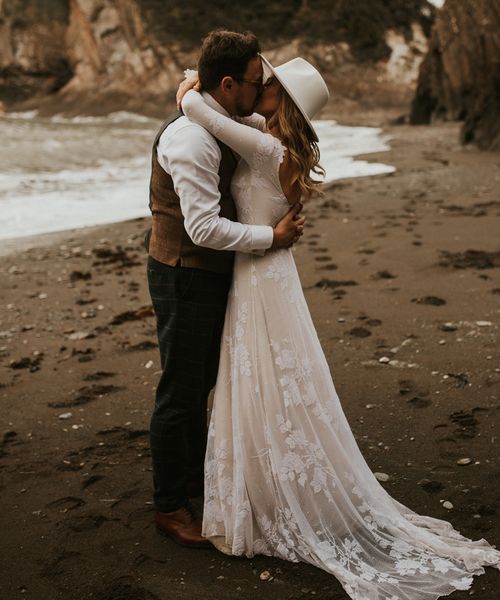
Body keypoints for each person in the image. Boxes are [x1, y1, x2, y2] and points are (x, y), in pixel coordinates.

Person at [179, 54, 500, 598]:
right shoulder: (282, 144)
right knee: (272, 379)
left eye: (271, 86)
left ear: (284, 104)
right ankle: (273, 489)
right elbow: (234, 118)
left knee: (263, 377)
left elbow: (198, 110)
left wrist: (189, 87)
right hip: (273, 270)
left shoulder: (265, 146)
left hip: (260, 273)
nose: (262, 88)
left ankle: (270, 499)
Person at [146, 30, 305, 549]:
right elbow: (202, 230)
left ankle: (193, 475)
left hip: (216, 270)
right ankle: (170, 505)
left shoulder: (232, 120)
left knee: (201, 382)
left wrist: (193, 90)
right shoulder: (190, 139)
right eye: (256, 83)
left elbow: (255, 118)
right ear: (230, 83)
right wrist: (270, 237)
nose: (261, 93)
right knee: (181, 390)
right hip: (184, 271)